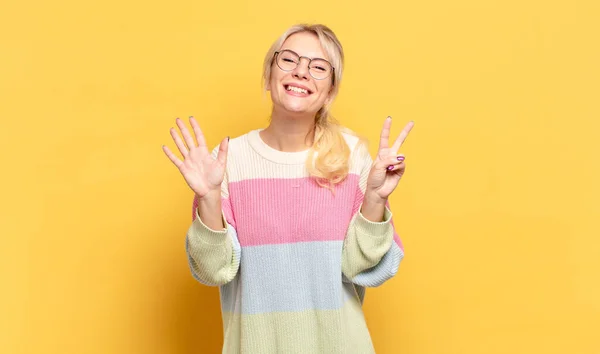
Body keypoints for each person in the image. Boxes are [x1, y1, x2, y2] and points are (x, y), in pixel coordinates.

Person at [163, 23, 414, 354]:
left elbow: (362, 269)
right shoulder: (228, 161)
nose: (301, 72)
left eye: (318, 67)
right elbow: (214, 271)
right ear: (269, 75)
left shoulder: (354, 158)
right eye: (289, 60)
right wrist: (209, 198)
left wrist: (375, 199)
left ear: (330, 92)